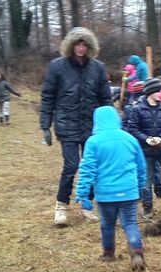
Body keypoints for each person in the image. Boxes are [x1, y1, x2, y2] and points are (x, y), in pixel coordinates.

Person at [40, 27, 111, 226]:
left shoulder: (98, 68)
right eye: (77, 44)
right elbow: (47, 97)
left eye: (84, 44)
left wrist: (110, 125)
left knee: (92, 166)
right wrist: (45, 125)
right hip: (67, 124)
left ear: (90, 47)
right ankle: (61, 205)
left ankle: (86, 204)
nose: (80, 48)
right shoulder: (57, 67)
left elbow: (105, 98)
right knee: (71, 165)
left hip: (92, 126)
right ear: (70, 45)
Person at [75, 106, 147, 272]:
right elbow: (141, 166)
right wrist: (141, 186)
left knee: (107, 224)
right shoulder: (130, 139)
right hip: (129, 191)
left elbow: (87, 170)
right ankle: (136, 249)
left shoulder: (93, 142)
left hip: (105, 194)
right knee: (130, 223)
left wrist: (83, 193)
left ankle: (108, 253)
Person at [126, 78, 161, 217]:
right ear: (150, 92)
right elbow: (132, 129)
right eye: (158, 91)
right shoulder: (137, 108)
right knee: (147, 179)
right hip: (146, 151)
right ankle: (147, 207)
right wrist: (147, 139)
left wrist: (160, 137)